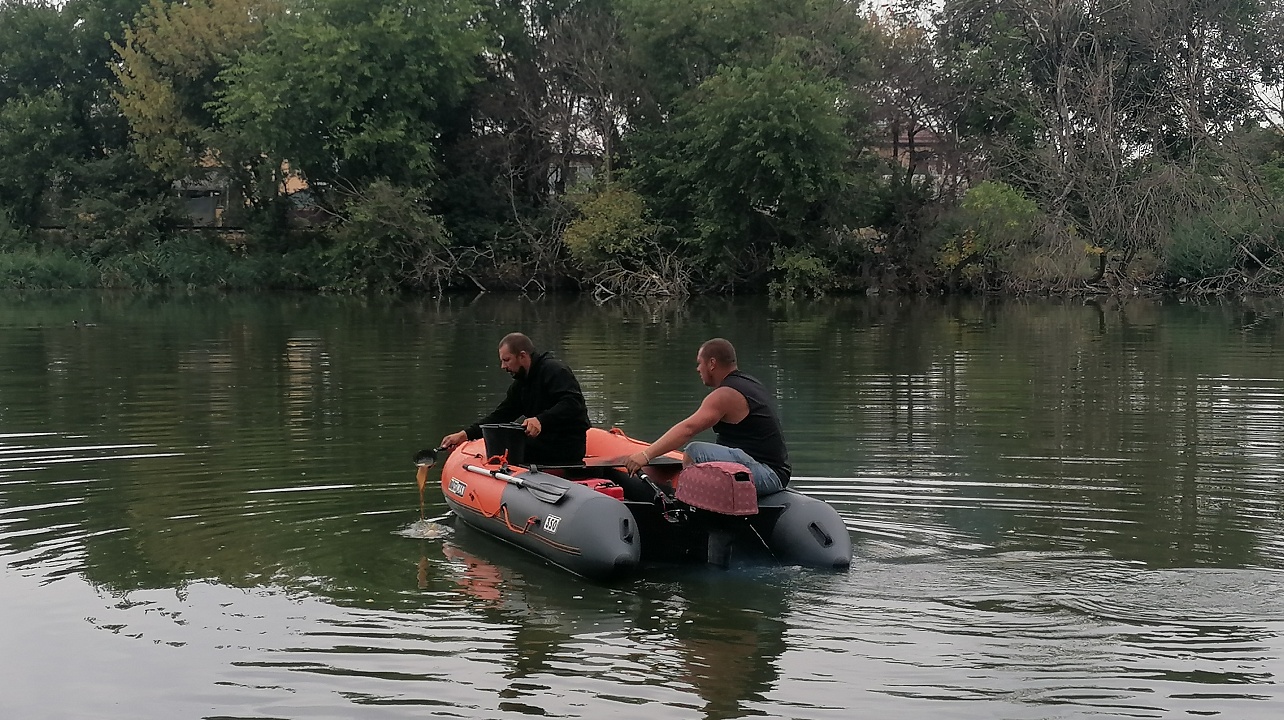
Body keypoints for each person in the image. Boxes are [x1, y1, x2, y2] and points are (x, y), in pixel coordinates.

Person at [622, 338, 790, 496]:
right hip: (774, 472)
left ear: (712, 363)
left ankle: (688, 505)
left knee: (695, 451)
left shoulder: (725, 395)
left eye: (699, 363)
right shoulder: (748, 383)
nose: (698, 369)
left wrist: (645, 455)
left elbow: (688, 429)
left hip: (768, 475)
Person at [440, 332, 590, 466]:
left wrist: (541, 420)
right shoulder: (521, 384)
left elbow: (573, 404)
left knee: (504, 449)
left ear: (522, 356)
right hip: (542, 442)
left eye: (506, 360)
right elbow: (500, 415)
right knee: (500, 441)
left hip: (567, 445)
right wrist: (464, 435)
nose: (503, 366)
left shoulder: (555, 371)